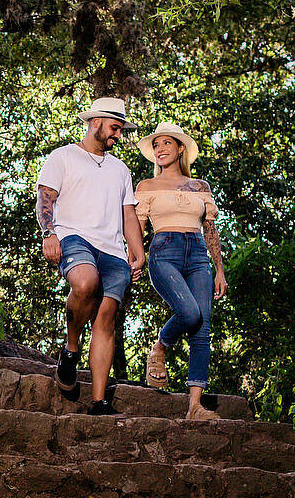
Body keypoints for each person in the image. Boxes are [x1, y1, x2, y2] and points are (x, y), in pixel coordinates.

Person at [35, 97, 140, 415]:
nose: (118, 135)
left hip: (113, 251)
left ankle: (98, 401)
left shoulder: (120, 169)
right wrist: (48, 233)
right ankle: (70, 349)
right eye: (115, 128)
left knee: (106, 318)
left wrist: (139, 253)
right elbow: (45, 197)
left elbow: (129, 215)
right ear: (96, 122)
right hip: (74, 237)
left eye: (120, 130)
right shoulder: (63, 156)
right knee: (84, 282)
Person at [125, 122, 228, 421]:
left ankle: (195, 406)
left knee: (202, 329)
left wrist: (219, 269)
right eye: (156, 145)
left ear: (180, 148)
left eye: (166, 143)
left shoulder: (200, 187)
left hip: (197, 253)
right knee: (190, 313)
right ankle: (161, 345)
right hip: (163, 251)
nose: (160, 149)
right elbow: (137, 227)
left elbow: (210, 229)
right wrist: (133, 258)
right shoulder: (146, 187)